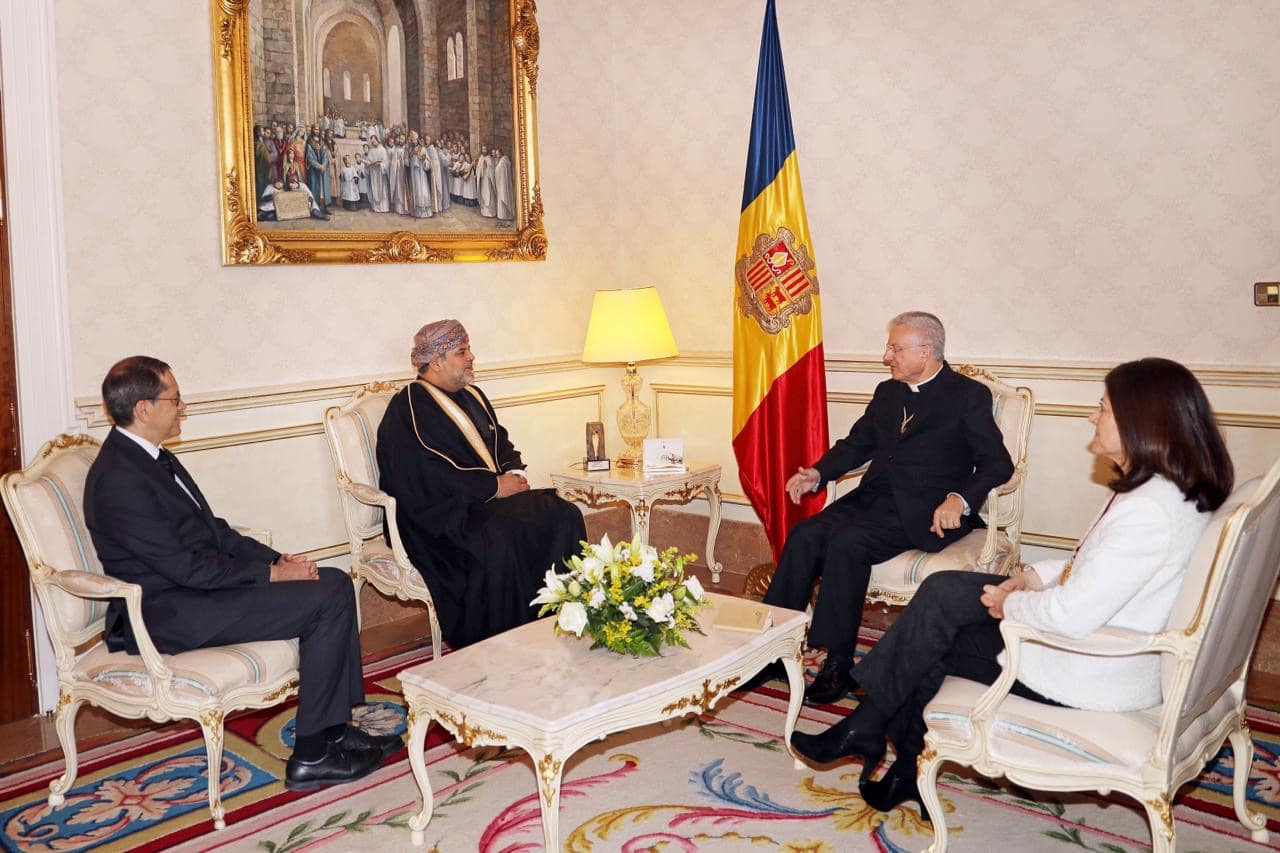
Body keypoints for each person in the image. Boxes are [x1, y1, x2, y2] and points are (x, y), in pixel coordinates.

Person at [790, 357, 1234, 820]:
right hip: (1098, 644)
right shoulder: (1165, 491)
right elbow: (1101, 566)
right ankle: (885, 746)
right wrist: (1033, 577)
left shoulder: (1148, 511)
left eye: (1103, 407)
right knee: (941, 594)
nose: (1092, 416)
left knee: (933, 633)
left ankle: (878, 739)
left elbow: (1071, 616)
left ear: (1140, 420)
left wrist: (1012, 602)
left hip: (1091, 667)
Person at [83, 357, 402, 791]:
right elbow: (185, 566)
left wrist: (279, 562)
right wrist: (271, 576)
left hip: (196, 593)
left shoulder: (152, 458)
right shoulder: (119, 478)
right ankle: (312, 755)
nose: (183, 407)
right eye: (175, 398)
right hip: (169, 611)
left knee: (333, 581)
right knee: (326, 597)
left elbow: (214, 531)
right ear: (144, 408)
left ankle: (333, 731)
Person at [759, 311, 1013, 705]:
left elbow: (998, 463)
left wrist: (959, 499)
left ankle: (835, 661)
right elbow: (857, 444)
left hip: (926, 511)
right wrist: (819, 473)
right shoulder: (888, 392)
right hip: (873, 499)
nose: (886, 356)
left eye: (896, 348)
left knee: (849, 542)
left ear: (925, 351)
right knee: (806, 533)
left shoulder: (967, 396)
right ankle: (771, 645)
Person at [376, 320, 587, 649]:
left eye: (468, 349)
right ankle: (502, 641)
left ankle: (565, 616)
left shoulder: (472, 395)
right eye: (462, 352)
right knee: (499, 536)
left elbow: (500, 441)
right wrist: (493, 487)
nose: (471, 357)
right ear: (435, 362)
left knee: (563, 513)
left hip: (483, 502)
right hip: (438, 516)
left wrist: (513, 473)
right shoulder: (409, 407)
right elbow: (425, 474)